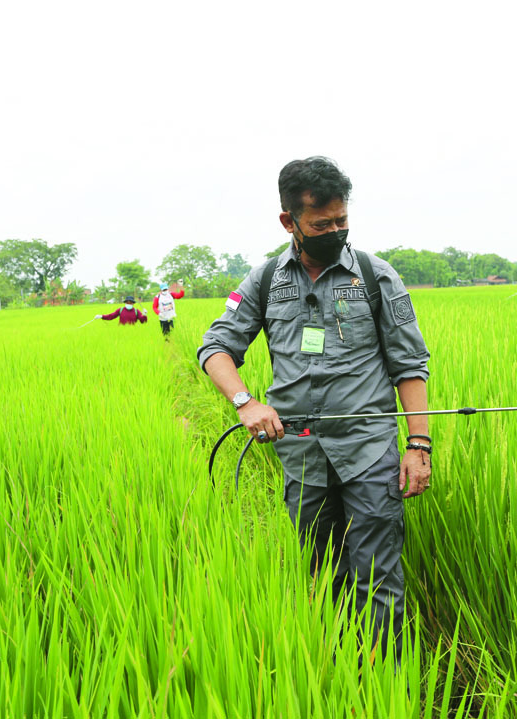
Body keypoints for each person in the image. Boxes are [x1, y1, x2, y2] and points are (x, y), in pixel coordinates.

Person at [197, 156, 431, 659]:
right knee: (323, 572)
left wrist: (418, 445)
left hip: (369, 451)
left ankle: (384, 679)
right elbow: (215, 348)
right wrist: (245, 402)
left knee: (378, 575)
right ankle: (338, 666)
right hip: (301, 456)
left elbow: (410, 364)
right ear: (289, 222)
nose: (335, 231)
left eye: (341, 221)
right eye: (321, 224)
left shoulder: (373, 275)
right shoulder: (265, 281)